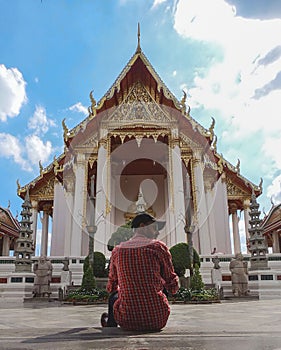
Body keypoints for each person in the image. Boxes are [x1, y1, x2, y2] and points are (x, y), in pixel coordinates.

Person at [101, 213, 179, 331]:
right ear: (142, 226)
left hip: (127, 321)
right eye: (154, 228)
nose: (157, 232)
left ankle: (111, 325)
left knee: (114, 296)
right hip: (157, 320)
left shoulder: (118, 250)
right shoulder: (158, 247)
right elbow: (171, 282)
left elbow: (111, 285)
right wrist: (170, 288)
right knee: (161, 287)